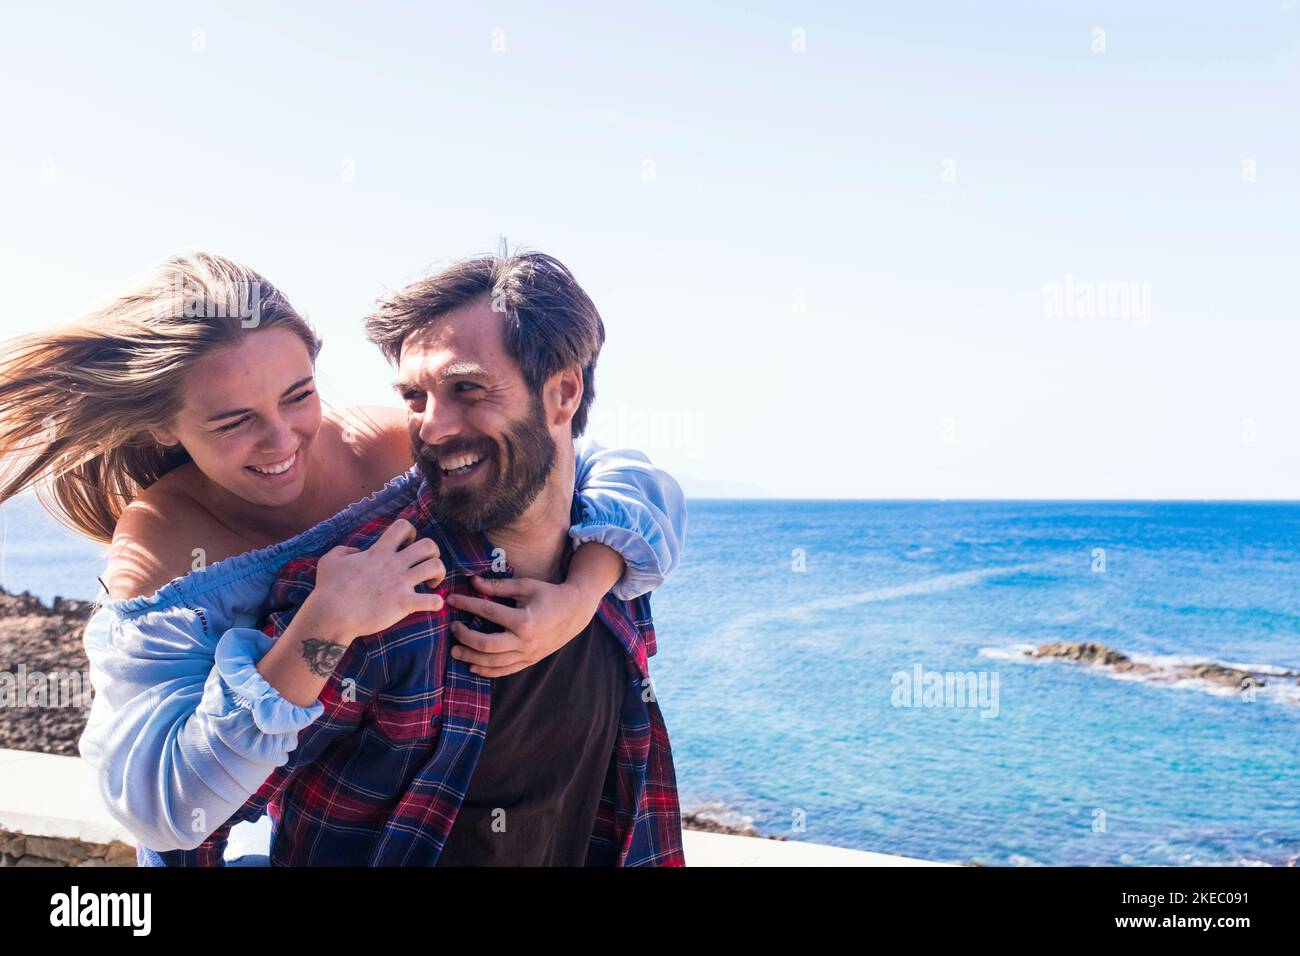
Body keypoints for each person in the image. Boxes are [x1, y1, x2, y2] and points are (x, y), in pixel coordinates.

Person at [0, 252, 685, 859]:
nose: (282, 442)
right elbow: (165, 812)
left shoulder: (390, 442)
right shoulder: (164, 546)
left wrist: (582, 593)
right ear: (163, 424)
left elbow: (581, 467)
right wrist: (326, 622)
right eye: (232, 421)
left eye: (299, 396)